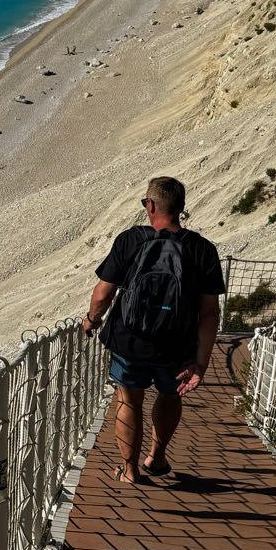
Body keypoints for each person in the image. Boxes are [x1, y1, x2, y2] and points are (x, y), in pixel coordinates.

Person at [82, 176, 224, 484]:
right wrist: (200, 361)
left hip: (129, 340)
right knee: (170, 395)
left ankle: (130, 470)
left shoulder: (130, 240)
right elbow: (210, 313)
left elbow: (103, 293)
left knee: (128, 400)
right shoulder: (203, 250)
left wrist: (92, 320)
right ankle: (157, 457)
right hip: (177, 345)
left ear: (151, 205)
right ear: (181, 209)